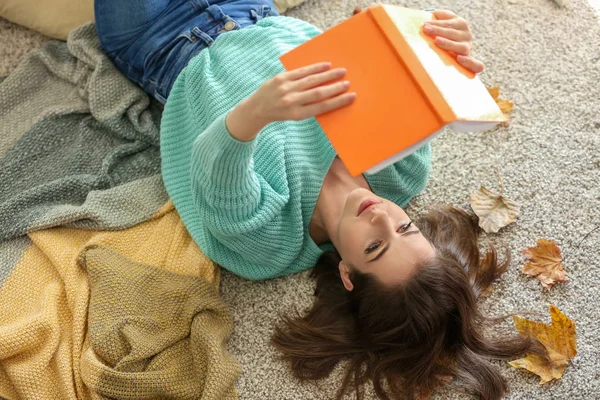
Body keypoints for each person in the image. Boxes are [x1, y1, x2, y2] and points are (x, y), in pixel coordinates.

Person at [94, 1, 544, 399]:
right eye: (406, 228)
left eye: (375, 247)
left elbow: (215, 169)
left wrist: (260, 111)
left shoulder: (271, 245)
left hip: (165, 44)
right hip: (255, 12)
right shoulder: (403, 171)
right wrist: (438, 46)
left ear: (348, 275)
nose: (381, 217)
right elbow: (381, 61)